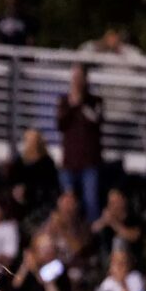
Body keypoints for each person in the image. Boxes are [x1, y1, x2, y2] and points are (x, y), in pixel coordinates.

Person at [56, 64, 104, 220]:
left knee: (91, 201)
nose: (76, 81)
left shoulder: (95, 101)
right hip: (69, 162)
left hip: (89, 162)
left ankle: (93, 238)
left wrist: (81, 103)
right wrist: (72, 105)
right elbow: (60, 124)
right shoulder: (64, 101)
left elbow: (96, 121)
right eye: (74, 78)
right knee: (67, 202)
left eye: (79, 78)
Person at [4, 128, 60, 235]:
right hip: (19, 203)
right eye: (28, 140)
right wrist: (15, 191)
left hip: (39, 203)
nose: (30, 144)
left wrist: (28, 191)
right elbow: (10, 181)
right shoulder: (19, 161)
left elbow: (49, 187)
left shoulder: (47, 163)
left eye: (33, 140)